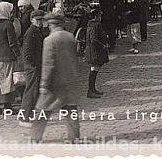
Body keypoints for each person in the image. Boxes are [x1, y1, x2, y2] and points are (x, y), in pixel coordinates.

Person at [31, 13, 81, 143]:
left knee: (42, 110)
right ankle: (74, 138)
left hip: (55, 83)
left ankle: (35, 138)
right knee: (70, 110)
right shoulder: (70, 37)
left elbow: (48, 64)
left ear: (49, 24)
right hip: (70, 80)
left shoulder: (49, 40)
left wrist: (44, 84)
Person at [20, 10, 47, 127]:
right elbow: (27, 53)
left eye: (42, 20)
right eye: (38, 20)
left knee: (34, 92)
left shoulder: (37, 31)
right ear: (32, 20)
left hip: (36, 65)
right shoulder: (31, 33)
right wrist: (33, 65)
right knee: (30, 92)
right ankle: (24, 117)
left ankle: (28, 115)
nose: (40, 22)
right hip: (32, 67)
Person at [85, 9, 109, 98]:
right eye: (99, 16)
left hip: (93, 51)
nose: (100, 18)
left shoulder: (91, 25)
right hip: (94, 51)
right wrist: (103, 45)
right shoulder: (95, 25)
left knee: (95, 70)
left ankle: (92, 89)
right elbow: (94, 39)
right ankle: (90, 90)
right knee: (93, 70)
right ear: (96, 16)